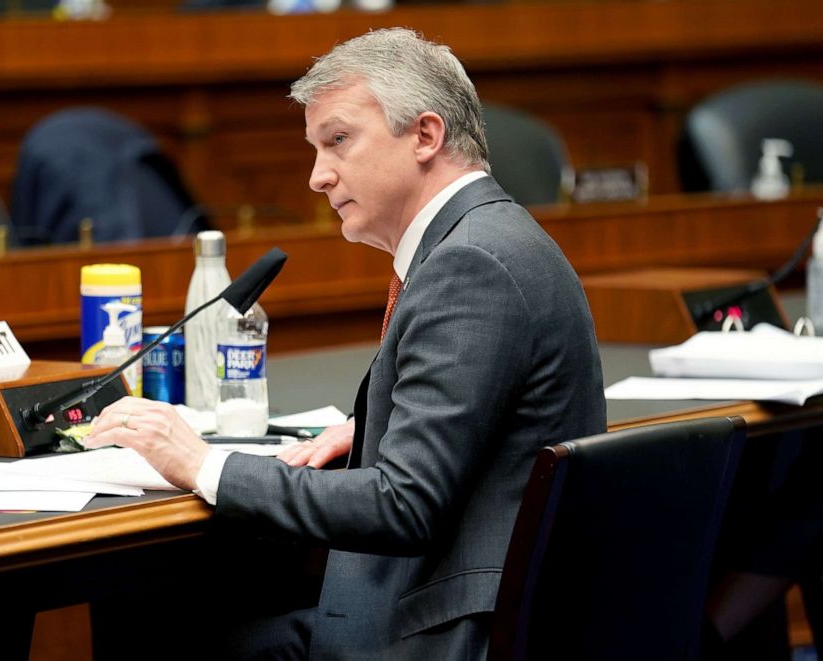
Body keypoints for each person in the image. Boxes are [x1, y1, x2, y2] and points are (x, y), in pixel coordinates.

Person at [83, 27, 606, 659]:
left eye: (338, 141)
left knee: (149, 627)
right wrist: (373, 435)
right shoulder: (493, 237)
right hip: (462, 608)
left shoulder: (471, 265)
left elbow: (404, 504)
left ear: (425, 135)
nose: (317, 178)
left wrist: (200, 463)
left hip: (443, 635)